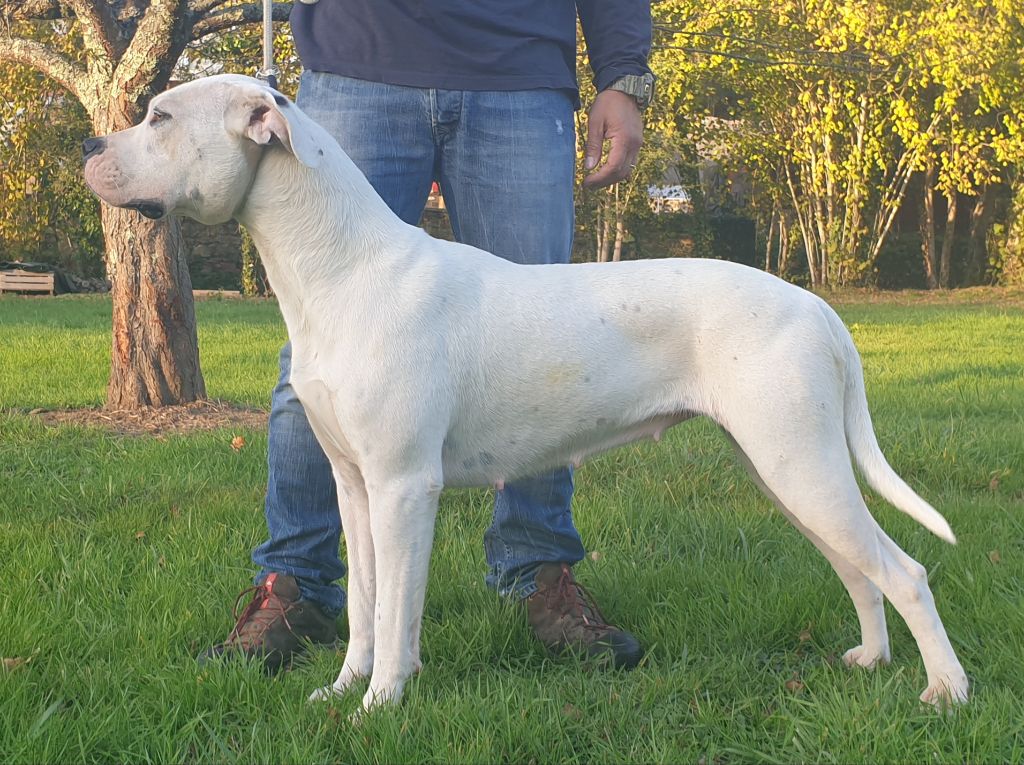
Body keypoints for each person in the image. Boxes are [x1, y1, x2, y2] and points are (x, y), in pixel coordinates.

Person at [202, 0, 656, 674]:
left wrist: (624, 76)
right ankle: (294, 582)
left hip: (520, 71)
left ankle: (538, 574)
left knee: (545, 346)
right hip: (359, 59)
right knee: (321, 359)